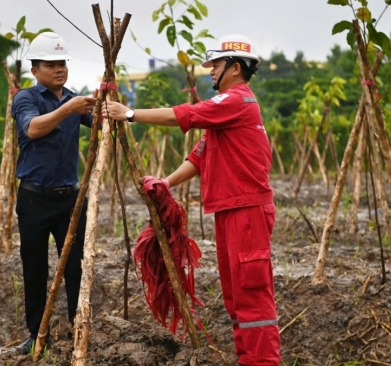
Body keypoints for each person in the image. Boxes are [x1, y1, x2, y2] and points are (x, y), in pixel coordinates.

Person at [103, 34, 281, 366]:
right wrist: (165, 183)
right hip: (231, 210)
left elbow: (181, 116)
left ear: (236, 67)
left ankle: (262, 362)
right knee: (235, 294)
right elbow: (201, 156)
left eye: (215, 65)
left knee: (251, 295)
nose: (210, 71)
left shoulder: (236, 101)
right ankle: (249, 359)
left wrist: (129, 114)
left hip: (247, 210)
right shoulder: (226, 114)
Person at [11, 31, 96, 355]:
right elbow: (33, 128)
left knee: (76, 267)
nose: (59, 69)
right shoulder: (26, 98)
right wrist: (67, 109)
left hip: (69, 200)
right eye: (51, 64)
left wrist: (106, 106)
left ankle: (79, 331)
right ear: (35, 70)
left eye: (62, 63)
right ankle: (36, 335)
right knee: (34, 268)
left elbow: (102, 122)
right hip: (34, 199)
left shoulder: (74, 99)